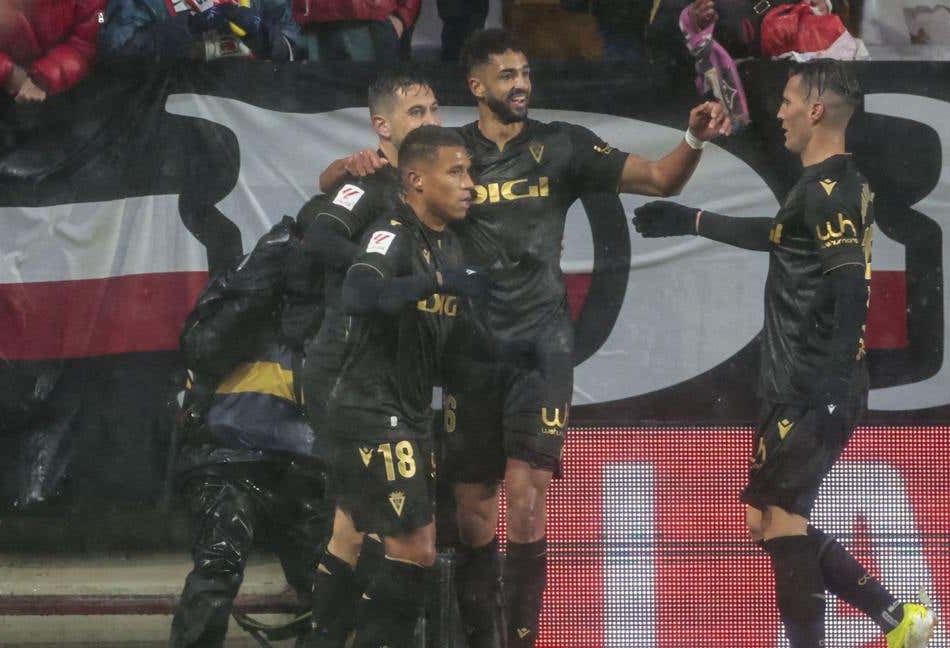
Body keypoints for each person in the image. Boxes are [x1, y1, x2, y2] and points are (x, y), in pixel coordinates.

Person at [321, 27, 731, 648]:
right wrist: (342, 167)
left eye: (526, 73)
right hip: (469, 351)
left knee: (527, 495)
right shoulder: (447, 154)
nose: (522, 85)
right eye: (507, 75)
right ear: (477, 85)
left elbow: (659, 179)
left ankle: (523, 640)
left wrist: (694, 137)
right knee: (474, 513)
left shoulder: (562, 146)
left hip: (541, 346)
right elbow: (354, 187)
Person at [631, 59, 937, 648]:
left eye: (789, 102)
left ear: (817, 110)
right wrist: (691, 220)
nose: (779, 113)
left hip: (812, 383)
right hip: (795, 383)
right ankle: (894, 615)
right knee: (762, 520)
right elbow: (778, 236)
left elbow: (850, 286)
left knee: (781, 522)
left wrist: (828, 387)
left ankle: (857, 629)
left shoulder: (831, 190)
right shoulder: (824, 186)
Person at [295, 69, 442, 648]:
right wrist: (378, 264)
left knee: (352, 530)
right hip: (352, 378)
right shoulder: (367, 182)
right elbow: (321, 233)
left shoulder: (427, 187)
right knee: (407, 543)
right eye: (416, 114)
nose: (430, 122)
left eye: (434, 110)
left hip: (391, 378)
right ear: (382, 127)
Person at [326, 124, 486, 648]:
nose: (470, 185)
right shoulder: (392, 232)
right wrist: (435, 283)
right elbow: (358, 291)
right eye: (456, 172)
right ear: (416, 179)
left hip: (409, 413)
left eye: (471, 172)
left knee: (360, 539)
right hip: (372, 409)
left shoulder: (451, 248)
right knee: (415, 549)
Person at [170, 216, 331, 648]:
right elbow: (203, 349)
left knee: (332, 585)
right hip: (230, 457)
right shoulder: (251, 287)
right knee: (219, 568)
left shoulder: (334, 296)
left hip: (294, 462)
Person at [100, 0, 302, 61]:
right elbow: (115, 55)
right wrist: (188, 28)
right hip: (169, 122)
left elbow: (291, 38)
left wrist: (263, 37)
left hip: (249, 115)